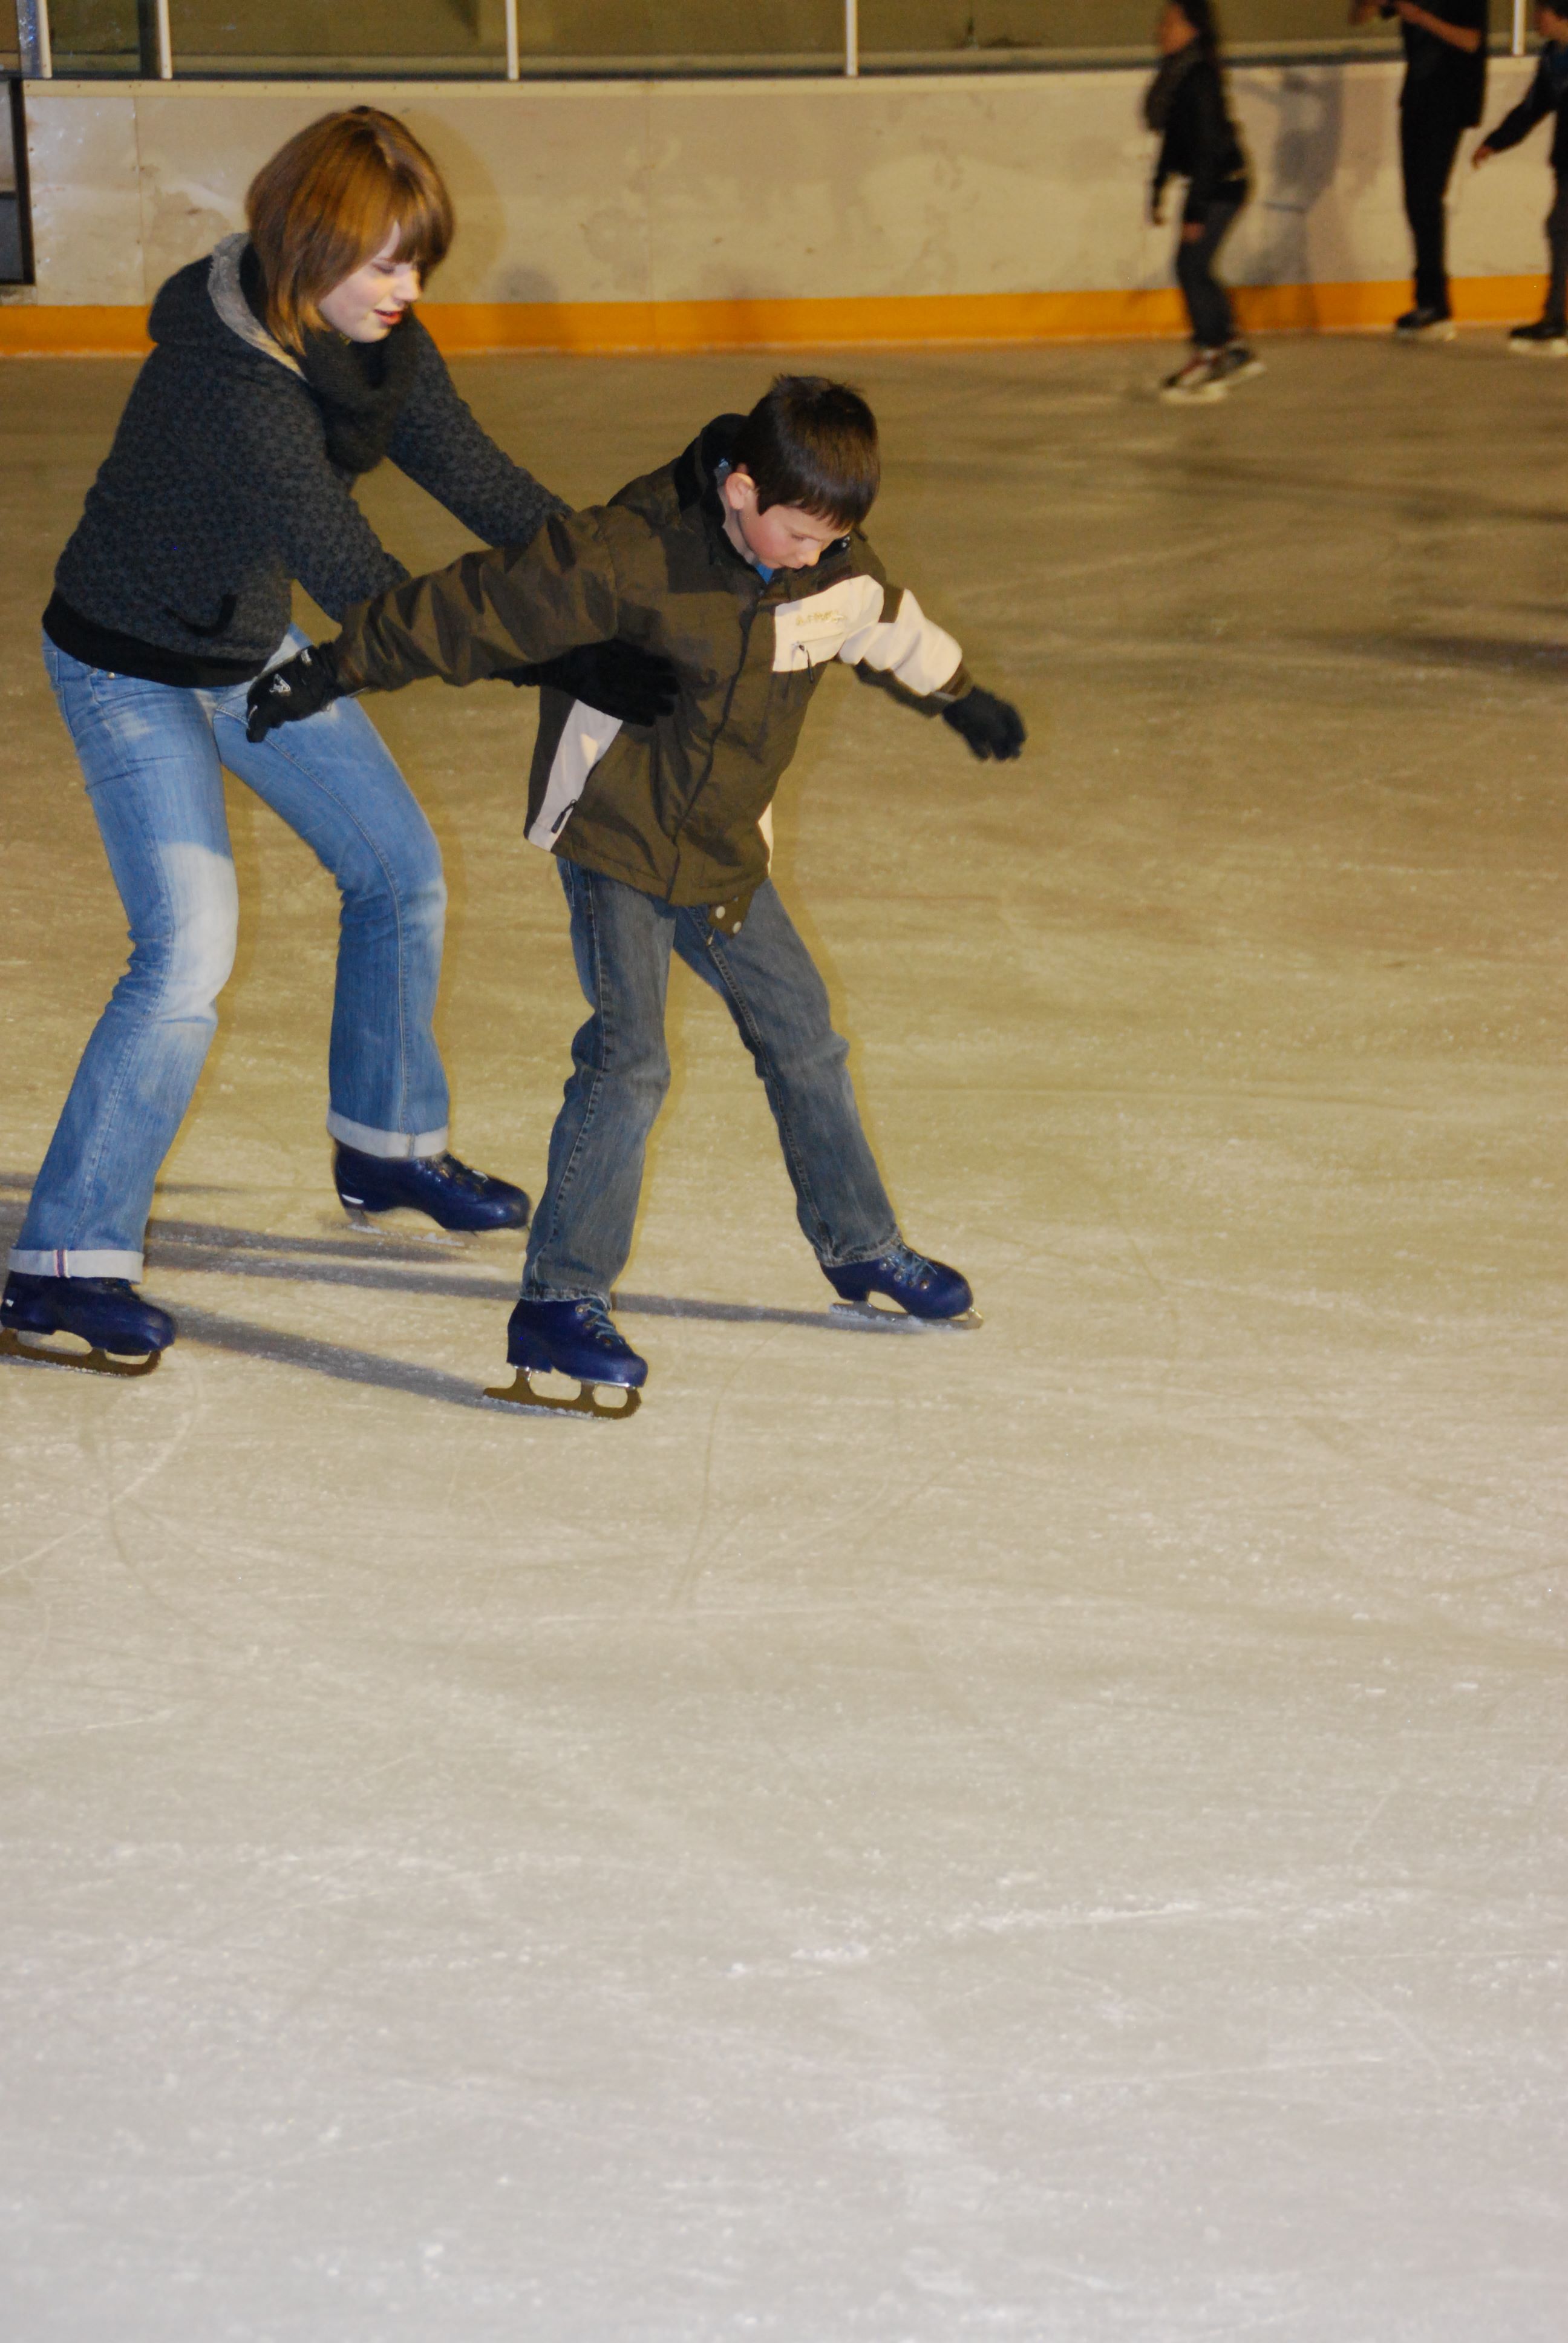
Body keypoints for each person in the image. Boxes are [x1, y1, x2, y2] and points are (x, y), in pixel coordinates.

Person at [0, 106, 671, 1381]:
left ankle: (387, 1143)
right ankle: (61, 1268)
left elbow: (479, 479)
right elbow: (369, 589)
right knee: (186, 950)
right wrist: (567, 654)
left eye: (420, 260)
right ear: (307, 251)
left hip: (241, 644)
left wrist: (618, 582)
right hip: (129, 665)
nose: (409, 288)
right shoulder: (234, 382)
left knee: (397, 870)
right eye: (385, 264)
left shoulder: (377, 346)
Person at [246, 376, 1027, 1417]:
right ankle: (559, 1299)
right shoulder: (630, 551)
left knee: (805, 1038)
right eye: (797, 532)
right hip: (615, 838)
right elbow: (474, 607)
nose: (813, 555)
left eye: (833, 538)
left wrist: (961, 696)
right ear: (742, 488)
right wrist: (334, 669)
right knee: (629, 1063)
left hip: (720, 850)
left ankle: (861, 1248)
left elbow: (881, 623)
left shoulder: (828, 566)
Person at [1146, 0, 1261, 403]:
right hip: (1216, 181)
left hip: (1222, 182)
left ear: (1193, 29)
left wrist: (1196, 212)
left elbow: (1208, 150)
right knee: (1195, 266)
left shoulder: (1198, 79)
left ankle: (1212, 353)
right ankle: (1230, 347)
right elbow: (1175, 141)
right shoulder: (1179, 74)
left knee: (1191, 265)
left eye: (1171, 21)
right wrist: (1157, 188)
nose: (1161, 28)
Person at [1352, 0, 1489, 338]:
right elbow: (1359, 17)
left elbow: (1472, 41)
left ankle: (1436, 306)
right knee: (1415, 201)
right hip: (1416, 96)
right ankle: (1428, 302)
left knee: (1427, 198)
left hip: (1450, 98)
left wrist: (1423, 18)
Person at [1472, 2, 1568, 352]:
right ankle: (1554, 317)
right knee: (1559, 229)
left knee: (1559, 227)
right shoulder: (1553, 57)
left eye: (1541, 12)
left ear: (1560, 15)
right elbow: (1532, 108)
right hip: (1565, 161)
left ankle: (1555, 318)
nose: (1534, 20)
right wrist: (1495, 142)